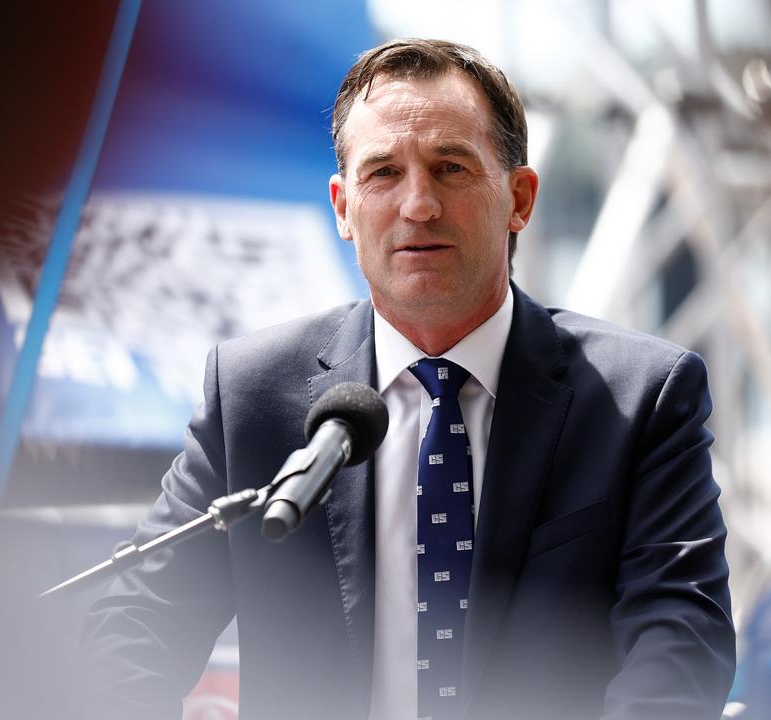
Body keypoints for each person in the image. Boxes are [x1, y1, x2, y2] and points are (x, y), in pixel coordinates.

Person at [83, 38, 734, 720]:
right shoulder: (250, 395)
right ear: (342, 207)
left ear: (520, 197)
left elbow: (680, 650)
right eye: (383, 173)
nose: (418, 205)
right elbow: (130, 626)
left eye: (451, 168)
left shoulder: (641, 397)